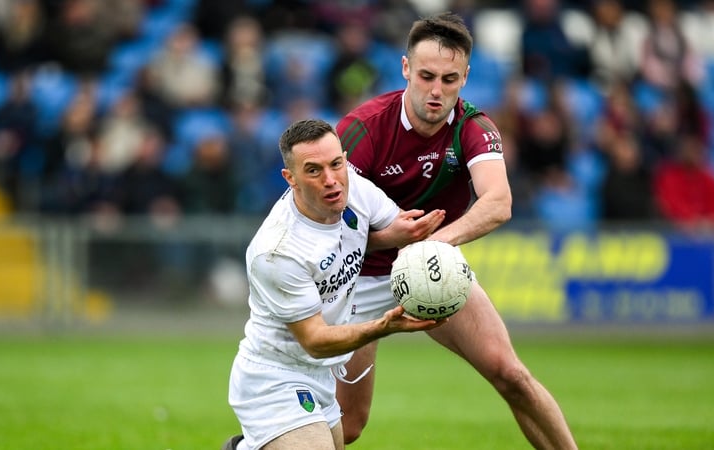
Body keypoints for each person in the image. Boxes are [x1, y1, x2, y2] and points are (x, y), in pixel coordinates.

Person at [335, 12, 579, 449]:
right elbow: (329, 225)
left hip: (431, 267)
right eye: (426, 75)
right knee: (348, 426)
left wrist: (433, 244)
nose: (436, 90)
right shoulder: (363, 128)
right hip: (358, 276)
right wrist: (395, 239)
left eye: (449, 79)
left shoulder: (474, 127)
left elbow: (498, 202)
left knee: (511, 374)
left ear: (465, 77)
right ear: (406, 68)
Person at [222, 119, 447, 450]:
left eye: (336, 164)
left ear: (344, 158)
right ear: (291, 178)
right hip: (274, 376)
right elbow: (314, 340)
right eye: (313, 171)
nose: (331, 180)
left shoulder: (354, 187)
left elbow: (397, 228)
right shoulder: (277, 251)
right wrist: (383, 326)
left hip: (321, 374)